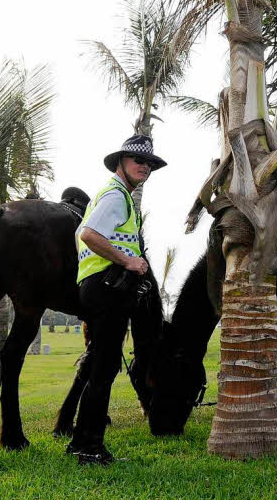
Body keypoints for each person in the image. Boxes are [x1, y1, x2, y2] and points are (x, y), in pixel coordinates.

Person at [66, 134, 166, 465]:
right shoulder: (116, 197)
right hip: (107, 288)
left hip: (98, 287)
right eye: (138, 160)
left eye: (149, 163)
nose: (145, 166)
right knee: (105, 368)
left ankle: (79, 439)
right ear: (121, 163)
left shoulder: (113, 195)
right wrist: (129, 262)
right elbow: (89, 234)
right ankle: (91, 446)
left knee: (97, 363)